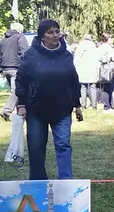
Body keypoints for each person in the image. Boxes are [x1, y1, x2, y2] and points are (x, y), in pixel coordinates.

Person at [15, 19, 82, 180]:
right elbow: (22, 79)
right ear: (42, 36)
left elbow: (73, 80)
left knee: (63, 145)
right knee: (36, 147)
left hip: (62, 109)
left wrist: (77, 104)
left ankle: (66, 181)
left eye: (57, 31)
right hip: (36, 109)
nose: (54, 35)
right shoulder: (31, 54)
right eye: (50, 32)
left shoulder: (66, 55)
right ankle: (38, 182)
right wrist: (22, 103)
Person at [0, 21, 29, 120]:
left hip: (5, 68)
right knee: (16, 91)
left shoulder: (3, 39)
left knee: (15, 91)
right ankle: (7, 111)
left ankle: (20, 113)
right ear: (20, 30)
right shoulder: (20, 37)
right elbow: (25, 52)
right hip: (16, 67)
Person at [73, 34, 100, 109]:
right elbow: (97, 58)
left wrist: (75, 68)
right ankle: (94, 104)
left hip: (82, 69)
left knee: (83, 87)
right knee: (92, 86)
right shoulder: (94, 46)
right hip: (92, 68)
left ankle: (83, 104)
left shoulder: (80, 46)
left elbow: (76, 58)